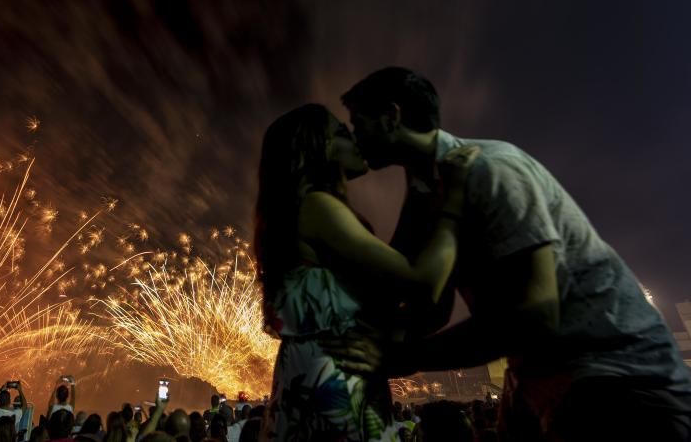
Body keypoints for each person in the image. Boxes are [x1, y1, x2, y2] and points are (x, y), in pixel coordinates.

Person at [324, 67, 691, 440]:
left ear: (391, 117)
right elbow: (428, 302)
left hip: (618, 380)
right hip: (544, 378)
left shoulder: (490, 169)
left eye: (359, 123)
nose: (354, 136)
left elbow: (535, 317)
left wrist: (401, 358)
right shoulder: (427, 190)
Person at [255, 103, 477, 441]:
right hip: (336, 390)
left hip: (315, 382)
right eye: (342, 132)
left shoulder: (300, 214)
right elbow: (420, 283)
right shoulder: (318, 207)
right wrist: (455, 201)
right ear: (319, 147)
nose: (354, 137)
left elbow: (391, 277)